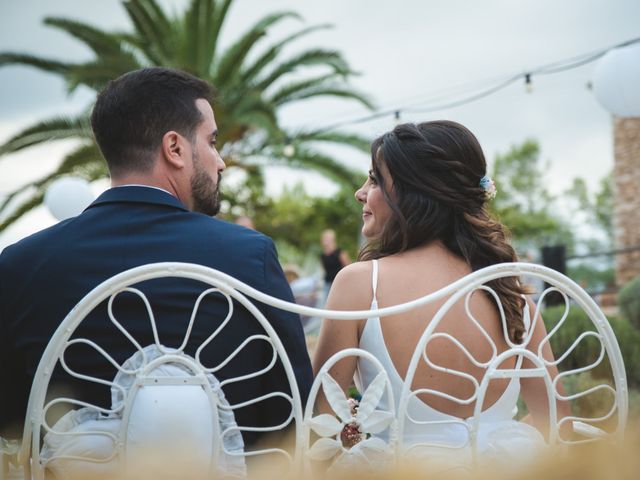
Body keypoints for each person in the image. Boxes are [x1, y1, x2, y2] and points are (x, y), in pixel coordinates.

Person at [0, 67, 312, 448]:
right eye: (212, 142)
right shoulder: (249, 255)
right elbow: (292, 410)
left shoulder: (20, 265)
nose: (221, 161)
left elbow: (12, 422)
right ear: (175, 148)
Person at [312, 121, 568, 463]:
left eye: (373, 179)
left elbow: (319, 424)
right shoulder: (507, 289)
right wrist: (497, 442)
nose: (361, 192)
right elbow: (558, 418)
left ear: (411, 191)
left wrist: (355, 427)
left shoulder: (359, 284)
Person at [319, 229, 350, 300]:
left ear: (332, 239)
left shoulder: (339, 252)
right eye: (324, 238)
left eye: (326, 238)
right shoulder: (322, 256)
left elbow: (348, 267)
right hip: (327, 283)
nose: (324, 240)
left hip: (338, 283)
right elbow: (323, 270)